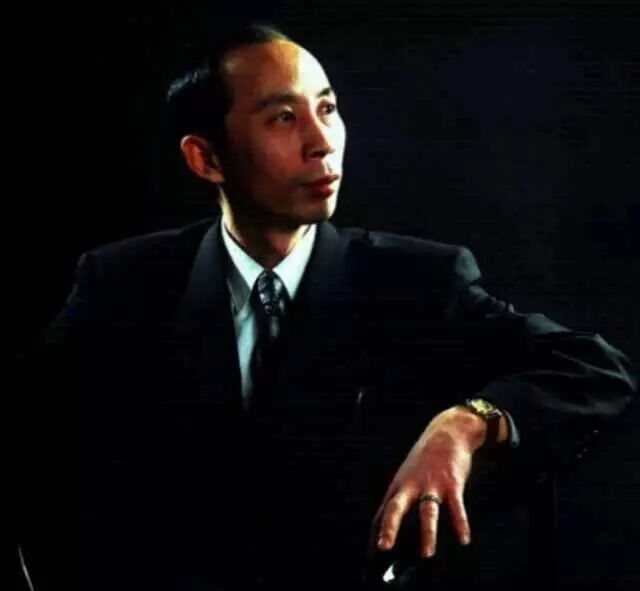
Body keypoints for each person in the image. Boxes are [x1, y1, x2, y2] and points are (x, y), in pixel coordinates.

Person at [14, 22, 636, 591]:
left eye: (328, 109)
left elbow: (595, 367)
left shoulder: (416, 282)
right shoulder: (125, 283)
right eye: (283, 118)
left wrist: (467, 421)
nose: (321, 143)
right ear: (205, 158)